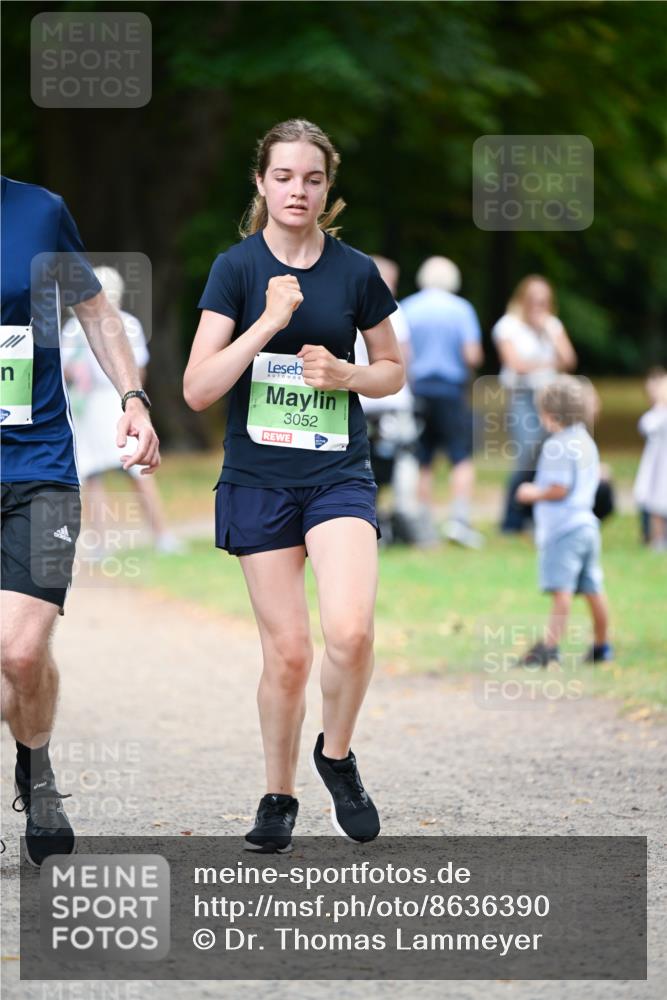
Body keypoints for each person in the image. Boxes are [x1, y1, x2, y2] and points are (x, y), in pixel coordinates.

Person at [184, 119, 403, 853]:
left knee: (350, 631)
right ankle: (277, 797)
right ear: (261, 183)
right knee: (288, 655)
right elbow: (196, 388)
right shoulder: (235, 270)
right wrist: (267, 323)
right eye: (283, 177)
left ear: (326, 188)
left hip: (336, 471)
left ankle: (334, 756)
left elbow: (391, 370)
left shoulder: (354, 272)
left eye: (311, 178)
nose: (297, 190)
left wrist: (348, 375)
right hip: (258, 479)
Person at [0, 176, 159, 866]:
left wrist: (133, 396)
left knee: (20, 652)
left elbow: (95, 311)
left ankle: (35, 769)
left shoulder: (40, 212)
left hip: (38, 467)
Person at [62, 266, 184, 556]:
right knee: (92, 476)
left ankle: (162, 535)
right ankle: (101, 544)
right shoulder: (73, 328)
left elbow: (138, 371)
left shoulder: (127, 324)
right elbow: (63, 367)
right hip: (86, 407)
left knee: (138, 471)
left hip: (117, 404)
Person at [515, 375, 612, 666]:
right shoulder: (585, 440)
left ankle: (549, 648)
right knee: (593, 589)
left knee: (562, 590)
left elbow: (559, 488)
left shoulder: (557, 445)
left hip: (564, 530)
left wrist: (531, 492)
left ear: (551, 415)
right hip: (587, 526)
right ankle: (602, 646)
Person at [400, 256, 484, 548]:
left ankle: (425, 522)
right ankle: (459, 519)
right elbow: (472, 354)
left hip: (418, 390)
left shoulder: (408, 307)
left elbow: (403, 353)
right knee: (461, 456)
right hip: (450, 390)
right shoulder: (461, 310)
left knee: (423, 458)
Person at [492, 275, 577, 533]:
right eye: (534, 300)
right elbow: (515, 365)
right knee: (526, 454)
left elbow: (569, 359)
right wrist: (548, 363)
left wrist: (547, 334)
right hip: (522, 398)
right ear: (523, 300)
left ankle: (535, 514)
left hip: (549, 398)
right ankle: (512, 519)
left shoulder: (552, 325)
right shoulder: (507, 326)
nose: (539, 306)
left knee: (547, 454)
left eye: (544, 301)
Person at [354, 257, 424, 545]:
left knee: (364, 465)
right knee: (402, 461)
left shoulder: (349, 304)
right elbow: (403, 356)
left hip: (359, 397)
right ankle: (402, 519)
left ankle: (371, 520)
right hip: (392, 400)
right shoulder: (392, 311)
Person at [633, 368, 667, 551]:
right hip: (659, 465)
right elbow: (646, 426)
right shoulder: (657, 414)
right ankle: (657, 540)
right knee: (657, 502)